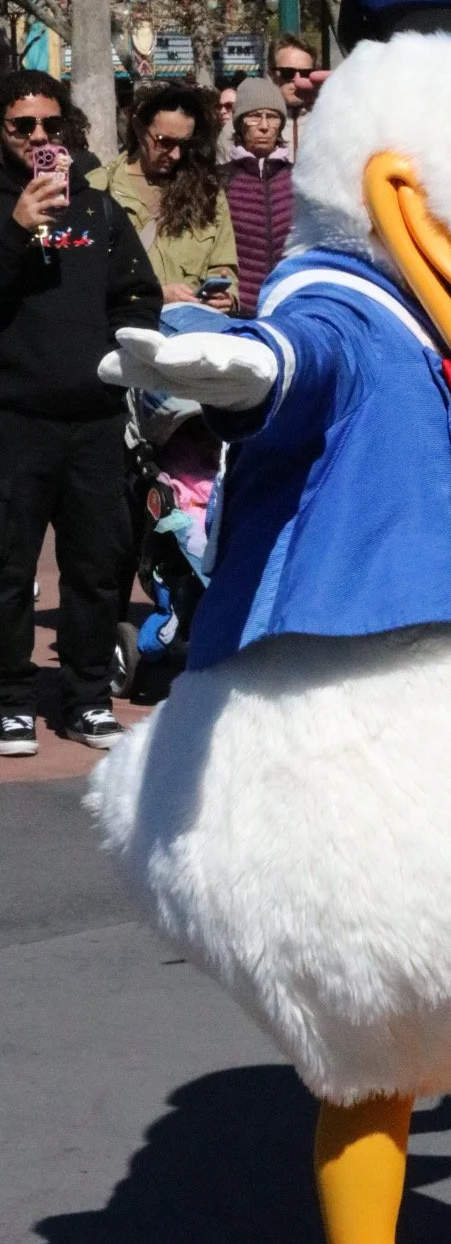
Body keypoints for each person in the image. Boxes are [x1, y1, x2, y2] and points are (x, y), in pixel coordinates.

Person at [0, 68, 160, 754]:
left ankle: (88, 697)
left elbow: (138, 295)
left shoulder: (97, 210)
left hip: (94, 420)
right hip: (14, 419)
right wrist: (16, 230)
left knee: (97, 566)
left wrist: (118, 352)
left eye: (51, 123)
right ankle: (10, 700)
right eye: (22, 125)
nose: (39, 136)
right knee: (9, 568)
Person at [90, 82, 238, 311]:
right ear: (139, 128)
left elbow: (223, 266)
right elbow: (85, 278)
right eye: (165, 142)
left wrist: (227, 297)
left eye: (184, 144)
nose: (176, 154)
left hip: (192, 326)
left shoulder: (208, 193)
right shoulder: (98, 189)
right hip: (126, 324)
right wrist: (155, 294)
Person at [219, 77, 293, 315]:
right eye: (254, 116)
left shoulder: (299, 179)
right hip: (237, 311)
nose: (264, 126)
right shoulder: (220, 180)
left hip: (289, 306)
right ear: (239, 124)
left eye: (272, 117)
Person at [268, 32, 319, 162]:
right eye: (288, 73)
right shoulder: (247, 123)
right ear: (271, 75)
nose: (297, 80)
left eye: (305, 73)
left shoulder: (328, 121)